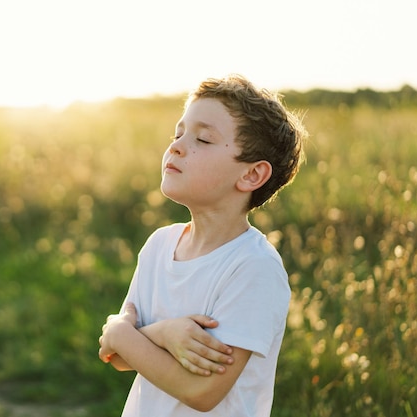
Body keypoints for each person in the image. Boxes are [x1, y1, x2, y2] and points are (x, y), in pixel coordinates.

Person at [98, 74, 307, 416]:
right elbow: (116, 355)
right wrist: (163, 333)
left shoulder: (253, 267)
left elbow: (203, 390)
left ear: (251, 175)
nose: (177, 146)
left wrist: (125, 334)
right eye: (178, 133)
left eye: (204, 139)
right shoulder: (158, 245)